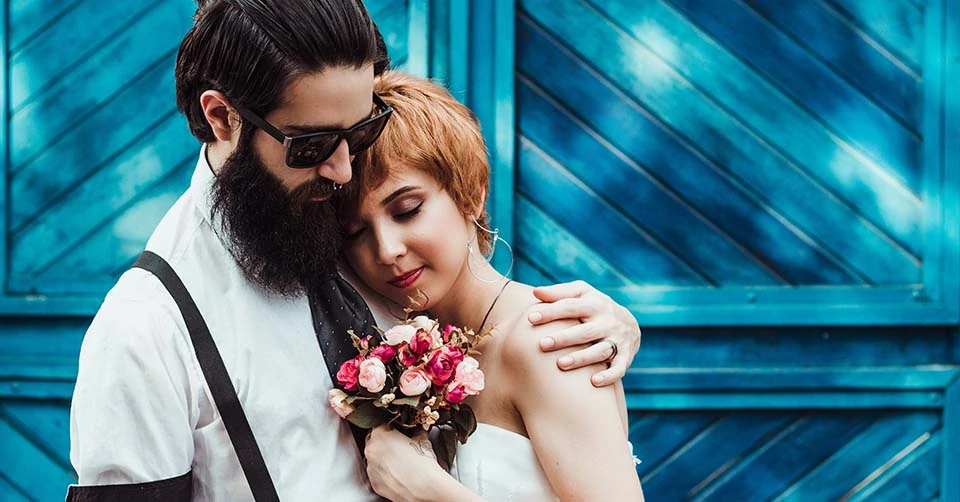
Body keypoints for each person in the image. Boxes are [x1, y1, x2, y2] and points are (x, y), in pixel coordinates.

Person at [67, 1, 642, 500]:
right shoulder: (146, 329)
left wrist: (614, 324)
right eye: (313, 143)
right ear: (221, 117)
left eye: (360, 132)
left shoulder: (329, 226)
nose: (342, 169)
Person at [338, 71, 644, 501]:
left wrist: (431, 493)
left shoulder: (545, 340)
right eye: (355, 232)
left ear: (471, 194)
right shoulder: (396, 355)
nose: (386, 249)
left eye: (407, 210)